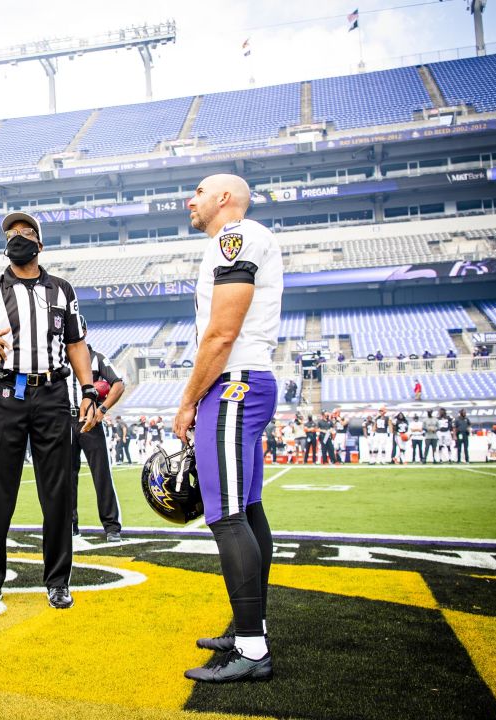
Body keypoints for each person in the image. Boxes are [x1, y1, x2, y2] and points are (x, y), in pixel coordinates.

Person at [0, 210, 97, 612]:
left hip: (52, 393)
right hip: (7, 395)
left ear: (40, 243)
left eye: (26, 231)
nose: (18, 236)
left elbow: (76, 343)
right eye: (11, 233)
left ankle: (57, 581)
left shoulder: (62, 290)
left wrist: (87, 389)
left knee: (57, 493)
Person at [173, 174, 281, 683]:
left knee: (225, 514)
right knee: (247, 508)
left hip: (234, 383)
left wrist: (188, 400)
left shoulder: (235, 237)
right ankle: (247, 629)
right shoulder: (228, 242)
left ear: (224, 199)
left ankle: (254, 651)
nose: (189, 200)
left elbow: (220, 334)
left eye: (198, 191)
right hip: (240, 382)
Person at [67, 345, 126, 541]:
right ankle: (70, 525)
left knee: (101, 473)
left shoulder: (96, 358)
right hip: (64, 420)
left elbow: (118, 383)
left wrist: (101, 409)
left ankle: (111, 526)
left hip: (89, 420)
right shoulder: (57, 358)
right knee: (65, 476)